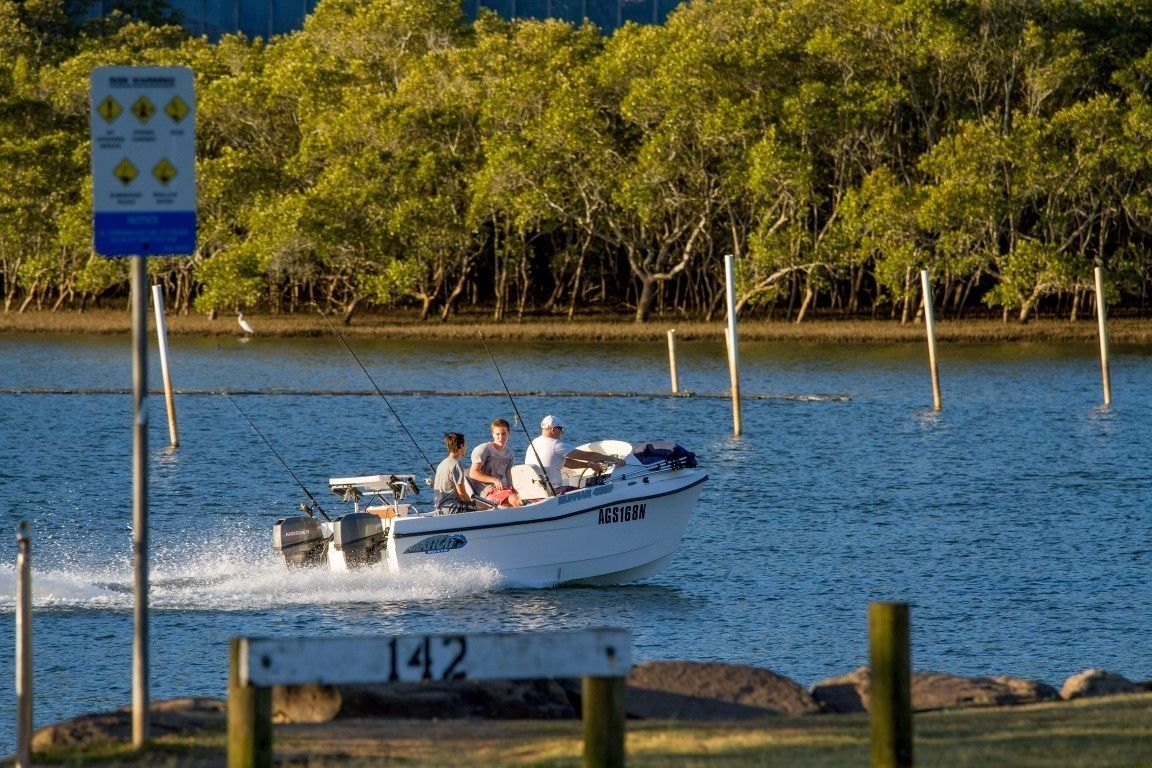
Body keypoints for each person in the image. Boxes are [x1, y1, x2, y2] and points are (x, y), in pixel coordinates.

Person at [469, 418, 524, 508]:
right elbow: (473, 473)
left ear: (509, 434)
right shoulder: (484, 449)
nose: (501, 437)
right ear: (493, 435)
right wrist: (494, 480)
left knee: (522, 499)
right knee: (516, 502)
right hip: (485, 492)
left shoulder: (510, 454)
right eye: (497, 434)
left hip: (501, 489)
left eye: (504, 434)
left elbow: (509, 477)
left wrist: (514, 489)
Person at [524, 414, 570, 491]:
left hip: (534, 490)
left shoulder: (533, 443)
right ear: (553, 429)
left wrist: (588, 465)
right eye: (561, 429)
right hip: (553, 491)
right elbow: (587, 455)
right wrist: (596, 463)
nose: (562, 432)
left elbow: (564, 462)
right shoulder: (556, 444)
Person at [433, 432, 474, 514]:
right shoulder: (456, 465)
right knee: (480, 506)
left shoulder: (442, 464)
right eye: (465, 445)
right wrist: (472, 503)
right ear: (461, 446)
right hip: (452, 508)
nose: (466, 448)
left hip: (439, 508)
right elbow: (462, 494)